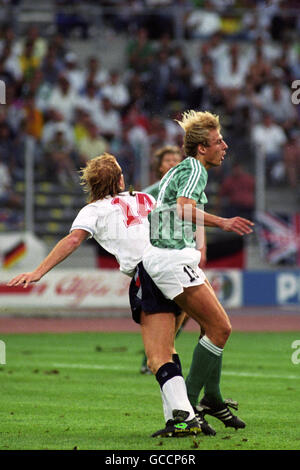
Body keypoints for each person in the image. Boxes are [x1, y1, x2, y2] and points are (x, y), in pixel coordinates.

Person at [7, 152, 211, 438]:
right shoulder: (144, 197)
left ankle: (186, 418)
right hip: (175, 266)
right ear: (120, 179)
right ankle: (180, 417)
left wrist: (39, 271)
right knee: (169, 349)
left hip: (149, 272)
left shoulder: (93, 210)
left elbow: (73, 240)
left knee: (155, 358)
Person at [142, 110, 254, 435]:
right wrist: (223, 222)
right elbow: (183, 206)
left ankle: (212, 399)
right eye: (218, 141)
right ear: (202, 148)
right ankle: (188, 409)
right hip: (172, 259)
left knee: (212, 328)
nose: (225, 146)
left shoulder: (180, 169)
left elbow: (159, 203)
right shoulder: (194, 168)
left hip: (170, 258)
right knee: (221, 328)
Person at [140, 145, 191, 374]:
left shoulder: (185, 189)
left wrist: (201, 247)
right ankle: (155, 356)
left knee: (183, 310)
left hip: (183, 253)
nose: (172, 163)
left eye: (176, 159)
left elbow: (193, 220)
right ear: (159, 166)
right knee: (170, 309)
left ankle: (158, 355)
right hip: (161, 257)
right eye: (168, 160)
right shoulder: (152, 192)